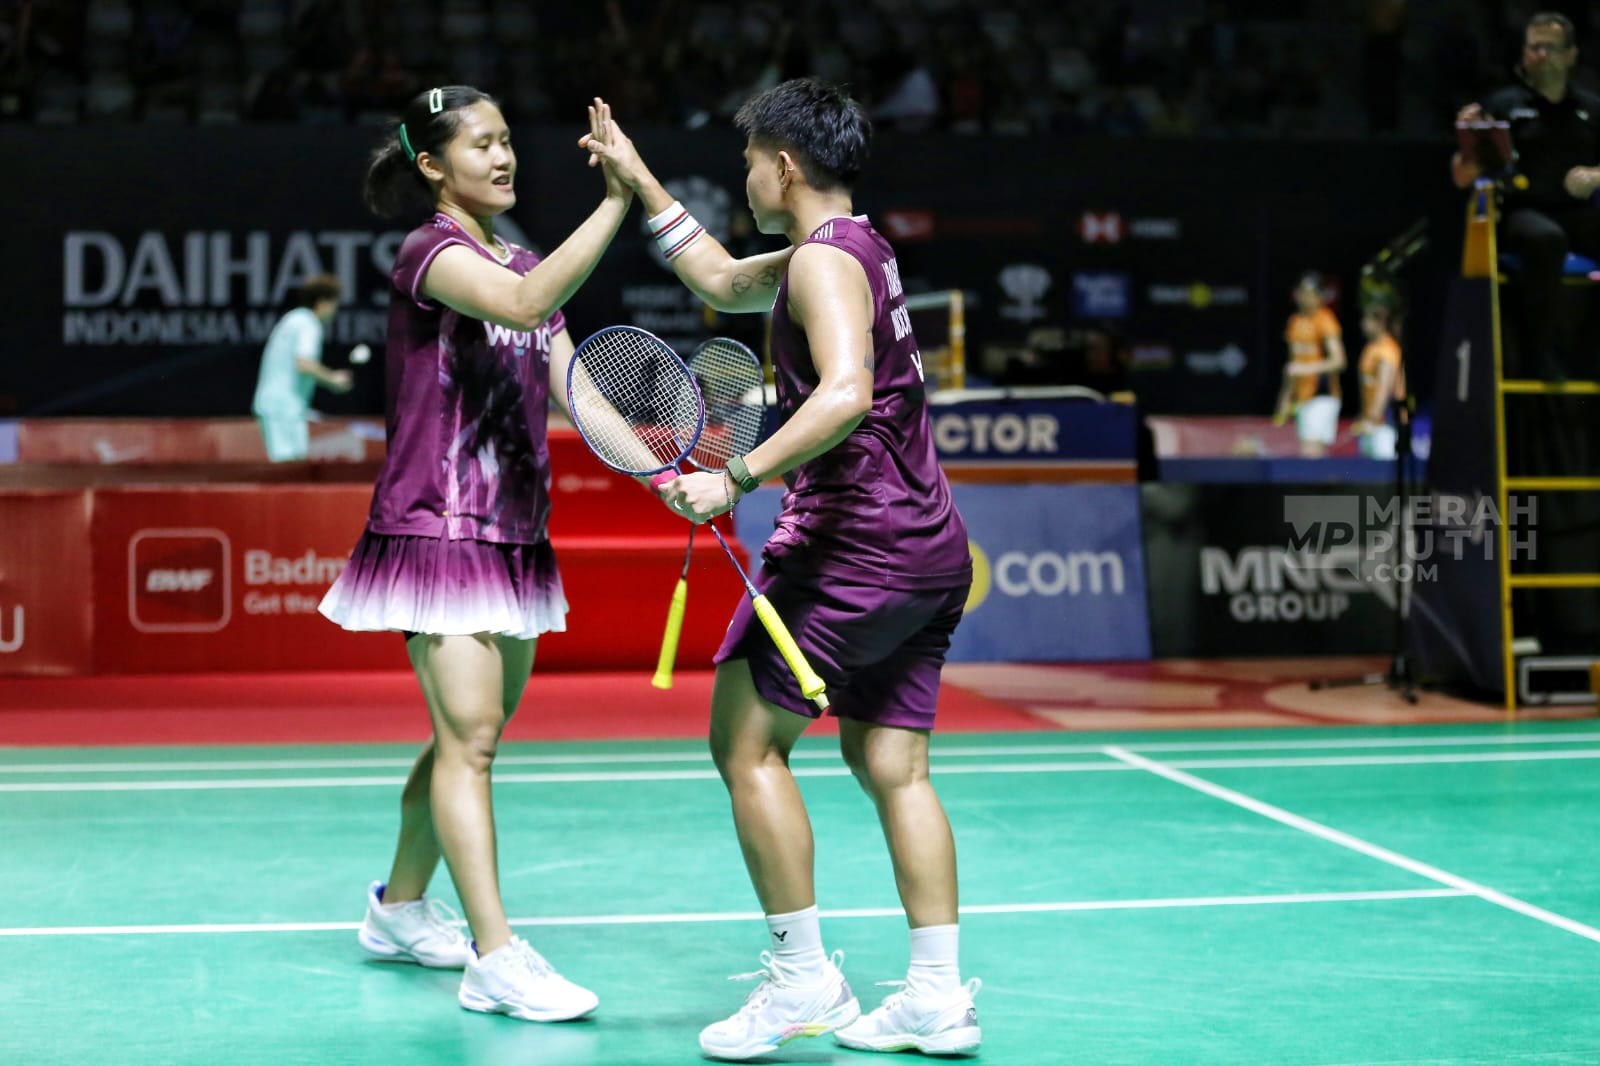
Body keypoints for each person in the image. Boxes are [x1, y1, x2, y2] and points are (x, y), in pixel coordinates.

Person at [582, 83, 982, 1060]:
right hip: (927, 546)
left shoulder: (822, 264)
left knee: (745, 742)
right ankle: (936, 995)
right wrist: (639, 182)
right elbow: (721, 282)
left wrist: (736, 476)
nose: (746, 176)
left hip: (854, 548)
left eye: (751, 160)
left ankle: (803, 980)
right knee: (891, 763)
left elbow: (844, 392)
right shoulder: (856, 248)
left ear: (786, 165)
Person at [318, 85, 642, 1023]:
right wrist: (617, 202)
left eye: (507, 142)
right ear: (433, 166)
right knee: (473, 740)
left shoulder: (523, 257)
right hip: (439, 524)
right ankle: (495, 959)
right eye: (481, 145)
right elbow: (527, 303)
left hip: (514, 534)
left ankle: (398, 908)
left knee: (462, 737)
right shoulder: (433, 254)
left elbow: (578, 385)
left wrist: (657, 469)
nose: (502, 158)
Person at [1451, 11, 1600, 381]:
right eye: (1534, 47)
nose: (1541, 55)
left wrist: (1595, 176)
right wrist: (1469, 139)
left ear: (1571, 55)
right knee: (1547, 239)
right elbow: (1462, 176)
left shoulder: (1591, 109)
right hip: (1520, 214)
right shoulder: (1502, 105)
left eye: (1551, 47)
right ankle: (1541, 354)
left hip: (1579, 212)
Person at [251, 273, 354, 462]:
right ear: (322, 303)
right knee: (291, 470)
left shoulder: (293, 319)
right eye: (334, 304)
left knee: (292, 468)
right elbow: (304, 363)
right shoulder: (308, 324)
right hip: (284, 409)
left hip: (278, 407)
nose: (335, 311)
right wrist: (333, 379)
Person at [1273, 272, 1347, 458]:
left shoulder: (1325, 320)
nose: (1305, 298)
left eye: (1310, 293)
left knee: (1311, 452)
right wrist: (1285, 399)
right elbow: (1293, 366)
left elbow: (1339, 361)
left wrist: (1305, 369)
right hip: (1301, 397)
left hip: (1322, 395)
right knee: (1309, 452)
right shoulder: (1294, 322)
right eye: (1302, 293)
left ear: (1319, 296)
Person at [1353, 300, 1406, 459]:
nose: (1362, 324)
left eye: (1367, 320)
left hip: (1385, 425)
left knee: (1383, 471)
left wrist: (1373, 418)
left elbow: (1384, 388)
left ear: (1380, 323)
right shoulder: (1370, 347)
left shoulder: (1387, 349)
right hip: (1370, 422)